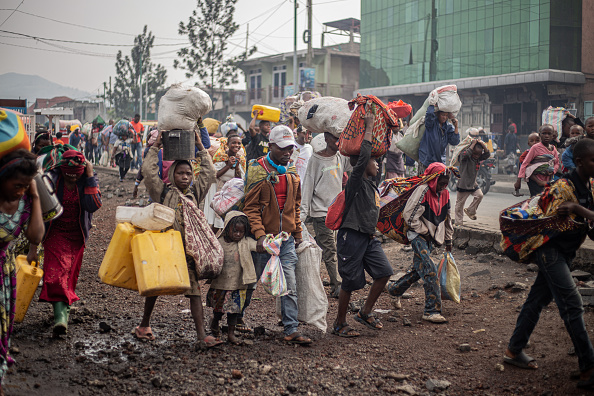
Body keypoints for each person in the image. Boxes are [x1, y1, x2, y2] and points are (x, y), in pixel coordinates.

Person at [503, 138, 594, 390]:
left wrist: (578, 209)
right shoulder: (562, 188)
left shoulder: (589, 187)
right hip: (550, 252)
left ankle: (513, 351)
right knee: (573, 304)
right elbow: (545, 223)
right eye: (592, 160)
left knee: (537, 300)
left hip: (566, 253)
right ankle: (588, 367)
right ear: (579, 162)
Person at [137, 129, 222, 348]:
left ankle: (201, 335)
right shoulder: (162, 193)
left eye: (188, 174)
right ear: (172, 174)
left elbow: (209, 173)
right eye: (180, 173)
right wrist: (156, 146)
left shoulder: (194, 194)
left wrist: (200, 147)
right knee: (155, 289)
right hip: (166, 251)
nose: (185, 177)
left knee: (195, 294)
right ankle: (144, 324)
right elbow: (148, 171)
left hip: (188, 253)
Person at [243, 125, 312, 345]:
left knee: (289, 285)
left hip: (286, 239)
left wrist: (298, 233)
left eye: (290, 148)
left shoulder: (292, 173)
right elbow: (251, 208)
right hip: (263, 241)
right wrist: (260, 235)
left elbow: (296, 206)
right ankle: (234, 320)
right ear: (270, 146)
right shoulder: (257, 171)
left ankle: (291, 328)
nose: (287, 152)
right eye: (282, 148)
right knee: (249, 283)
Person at [331, 110, 393, 338]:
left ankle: (365, 312)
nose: (377, 165)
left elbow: (375, 154)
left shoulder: (371, 184)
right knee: (349, 281)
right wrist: (368, 126)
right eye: (374, 161)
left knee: (384, 272)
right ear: (363, 163)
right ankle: (339, 323)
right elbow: (365, 154)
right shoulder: (355, 182)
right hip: (351, 236)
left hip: (367, 237)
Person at [41, 150, 101, 336]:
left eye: (76, 176)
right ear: (62, 171)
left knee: (67, 277)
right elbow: (39, 207)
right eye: (69, 177)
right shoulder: (50, 180)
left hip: (77, 237)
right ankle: (61, 319)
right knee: (54, 275)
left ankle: (61, 314)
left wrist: (89, 176)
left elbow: (93, 205)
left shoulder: (87, 179)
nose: (72, 180)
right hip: (54, 234)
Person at [388, 163, 454, 323]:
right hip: (418, 236)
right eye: (441, 182)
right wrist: (424, 231)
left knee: (419, 270)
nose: (443, 186)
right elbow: (409, 215)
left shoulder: (445, 193)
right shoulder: (422, 191)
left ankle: (395, 289)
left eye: (446, 183)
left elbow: (448, 218)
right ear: (433, 179)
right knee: (430, 270)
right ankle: (431, 310)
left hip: (432, 237)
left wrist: (449, 239)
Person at [0, 150, 44, 390]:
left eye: (25, 186)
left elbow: (35, 235)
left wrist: (35, 196)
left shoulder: (25, 200)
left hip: (3, 274)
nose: (20, 191)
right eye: (17, 185)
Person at [300, 131, 345, 298]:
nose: (338, 141)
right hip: (321, 214)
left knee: (325, 248)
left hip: (337, 212)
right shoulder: (315, 160)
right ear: (326, 138)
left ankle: (309, 278)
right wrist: (301, 218)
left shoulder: (340, 157)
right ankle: (337, 285)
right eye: (334, 138)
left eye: (340, 138)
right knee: (330, 250)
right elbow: (308, 188)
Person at [206, 212, 257, 345]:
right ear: (227, 228)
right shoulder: (219, 243)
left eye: (241, 232)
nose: (238, 234)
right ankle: (215, 324)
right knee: (218, 310)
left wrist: (271, 244)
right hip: (220, 285)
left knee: (234, 311)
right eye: (235, 231)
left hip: (238, 286)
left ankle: (230, 334)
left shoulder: (246, 242)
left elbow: (258, 247)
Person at [205, 133, 245, 231]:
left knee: (225, 219)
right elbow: (214, 175)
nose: (237, 145)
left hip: (230, 192)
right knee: (215, 220)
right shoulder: (220, 156)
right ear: (227, 144)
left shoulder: (241, 158)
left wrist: (236, 168)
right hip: (217, 189)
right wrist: (228, 165)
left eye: (239, 143)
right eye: (234, 143)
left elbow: (239, 180)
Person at [515, 124, 559, 197]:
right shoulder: (535, 148)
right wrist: (518, 181)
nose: (546, 136)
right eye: (544, 133)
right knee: (536, 199)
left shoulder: (553, 148)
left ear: (553, 135)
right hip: (535, 180)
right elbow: (525, 163)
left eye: (549, 133)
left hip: (547, 179)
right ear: (540, 135)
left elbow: (557, 163)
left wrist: (553, 171)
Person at [455, 139, 490, 226]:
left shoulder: (477, 159)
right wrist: (473, 144)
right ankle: (458, 223)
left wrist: (483, 144)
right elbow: (466, 154)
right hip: (463, 184)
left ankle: (470, 211)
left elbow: (487, 154)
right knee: (459, 205)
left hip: (473, 183)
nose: (476, 156)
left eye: (478, 154)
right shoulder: (465, 157)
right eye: (475, 153)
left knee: (479, 195)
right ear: (471, 151)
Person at [418, 105, 459, 174]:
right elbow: (429, 114)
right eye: (443, 115)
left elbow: (455, 141)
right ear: (437, 114)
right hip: (426, 159)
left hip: (439, 161)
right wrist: (432, 104)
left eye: (446, 115)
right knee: (424, 183)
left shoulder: (448, 127)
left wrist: (456, 127)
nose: (445, 117)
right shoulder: (431, 123)